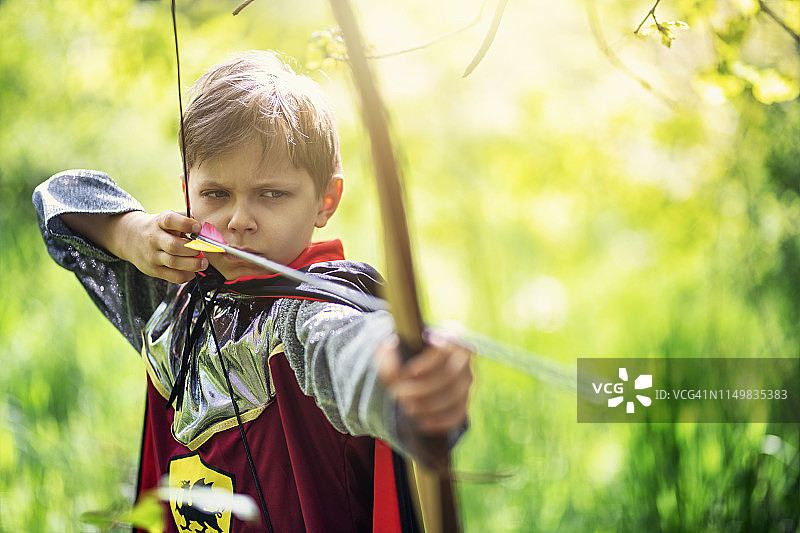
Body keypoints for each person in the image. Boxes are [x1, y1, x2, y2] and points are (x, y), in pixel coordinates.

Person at [33, 50, 472, 532]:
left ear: (326, 200)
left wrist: (402, 373)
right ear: (187, 192)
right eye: (216, 194)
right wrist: (129, 234)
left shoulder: (306, 317)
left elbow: (351, 350)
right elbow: (56, 200)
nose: (239, 220)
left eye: (272, 194)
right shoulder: (171, 296)